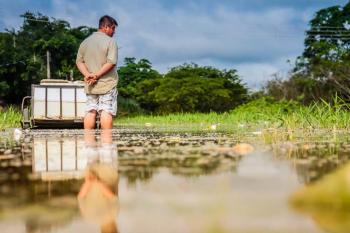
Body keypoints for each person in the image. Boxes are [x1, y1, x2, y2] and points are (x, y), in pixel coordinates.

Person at [76, 15, 119, 129]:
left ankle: (89, 144)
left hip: (90, 84)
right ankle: (106, 144)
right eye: (113, 28)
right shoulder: (111, 42)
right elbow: (111, 62)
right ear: (105, 27)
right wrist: (96, 75)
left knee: (90, 111)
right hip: (107, 84)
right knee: (106, 110)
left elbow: (79, 62)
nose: (114, 32)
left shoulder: (85, 42)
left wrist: (88, 75)